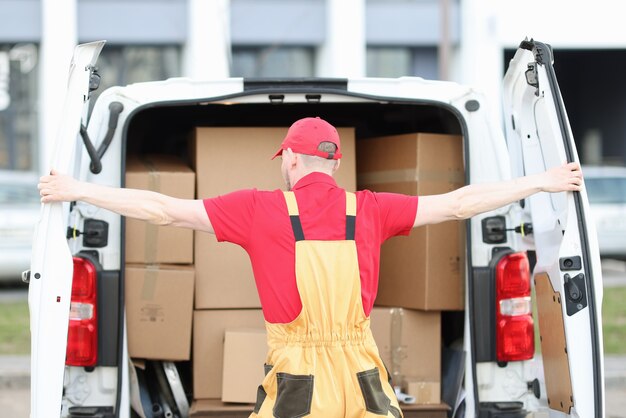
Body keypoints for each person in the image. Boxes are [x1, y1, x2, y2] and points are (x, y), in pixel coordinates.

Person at [38, 117, 583, 418]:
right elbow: (461, 202)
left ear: (291, 159)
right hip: (364, 373)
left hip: (299, 380)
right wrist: (541, 181)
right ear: (336, 161)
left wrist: (75, 188)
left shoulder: (258, 208)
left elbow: (162, 209)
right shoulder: (369, 207)